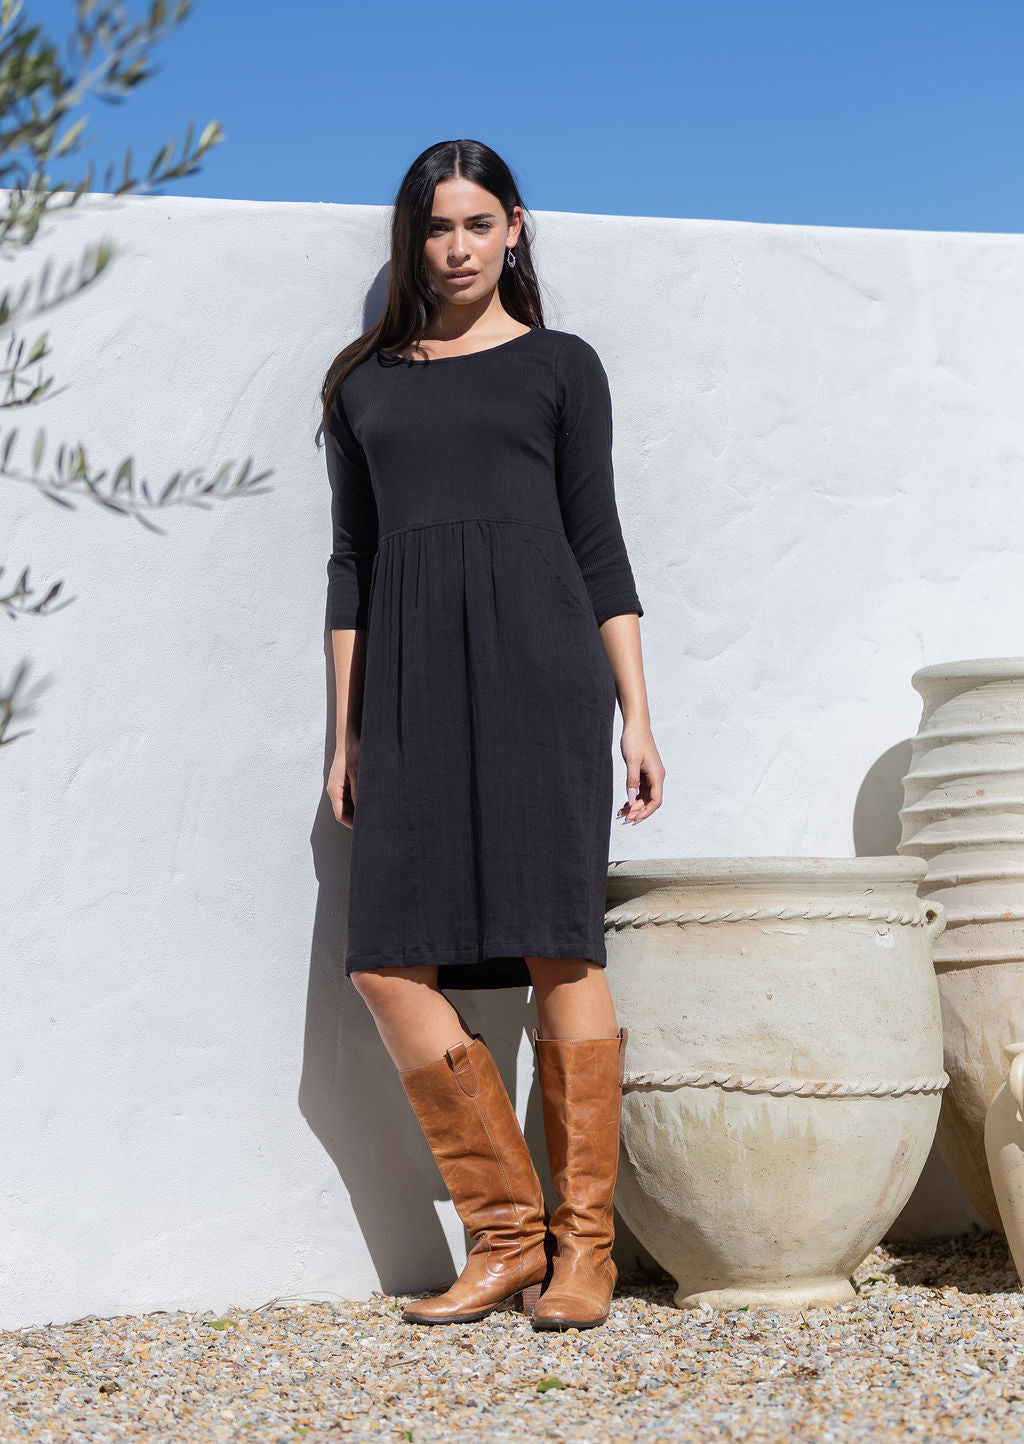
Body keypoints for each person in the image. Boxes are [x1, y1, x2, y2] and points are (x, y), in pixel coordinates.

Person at [319, 138, 664, 1332]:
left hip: (543, 670)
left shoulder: (562, 367)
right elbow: (352, 563)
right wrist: (345, 733)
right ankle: (509, 1234)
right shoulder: (364, 382)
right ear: (410, 239)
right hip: (410, 684)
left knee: (557, 945)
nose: (455, 248)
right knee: (384, 959)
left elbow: (598, 542)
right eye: (434, 227)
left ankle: (583, 1250)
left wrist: (637, 712)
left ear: (514, 227)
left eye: (475, 224)